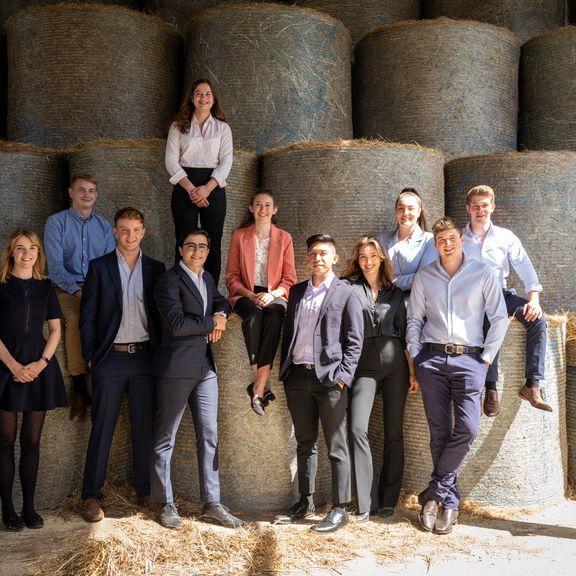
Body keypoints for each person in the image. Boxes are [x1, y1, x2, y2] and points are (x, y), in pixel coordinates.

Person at [407, 217, 508, 535]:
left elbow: (500, 316)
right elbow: (414, 318)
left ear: (461, 240)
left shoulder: (482, 273)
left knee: (467, 427)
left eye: (451, 238)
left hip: (470, 360)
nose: (447, 243)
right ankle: (448, 503)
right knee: (439, 432)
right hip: (432, 359)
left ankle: (433, 492)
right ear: (436, 244)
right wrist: (416, 353)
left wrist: (487, 358)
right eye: (441, 240)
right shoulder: (425, 276)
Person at [150, 228, 244, 530]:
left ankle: (212, 503)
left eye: (203, 246)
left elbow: (222, 301)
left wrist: (222, 316)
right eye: (191, 246)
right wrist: (211, 323)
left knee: (209, 435)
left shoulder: (205, 278)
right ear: (180, 249)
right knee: (166, 438)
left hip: (205, 369)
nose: (197, 251)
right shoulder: (168, 281)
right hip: (176, 368)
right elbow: (176, 324)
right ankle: (165, 503)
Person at [79, 208, 165, 523]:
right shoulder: (99, 268)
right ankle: (91, 495)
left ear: (143, 232)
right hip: (109, 358)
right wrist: (91, 355)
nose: (130, 236)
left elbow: (161, 316)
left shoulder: (156, 269)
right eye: (124, 230)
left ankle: (145, 491)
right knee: (102, 428)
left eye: (136, 230)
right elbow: (87, 315)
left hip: (145, 358)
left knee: (144, 427)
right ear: (115, 231)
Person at [273, 234, 363, 534]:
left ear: (335, 258)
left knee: (336, 447)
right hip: (298, 377)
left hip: (330, 381)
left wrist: (342, 379)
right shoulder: (297, 291)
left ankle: (339, 509)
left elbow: (354, 341)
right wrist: (286, 371)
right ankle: (305, 501)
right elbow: (289, 334)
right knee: (304, 442)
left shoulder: (347, 292)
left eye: (323, 253)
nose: (317, 258)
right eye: (312, 254)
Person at [341, 236, 418, 523]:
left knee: (393, 433)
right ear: (357, 260)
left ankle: (388, 500)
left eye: (373, 255)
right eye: (362, 256)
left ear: (382, 258)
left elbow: (406, 333)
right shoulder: (349, 288)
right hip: (364, 366)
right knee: (358, 428)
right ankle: (364, 502)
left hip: (396, 365)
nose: (368, 261)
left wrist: (412, 372)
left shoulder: (396, 292)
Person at [463, 185, 551, 416]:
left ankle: (532, 385)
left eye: (484, 205)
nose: (480, 210)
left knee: (538, 321)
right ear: (468, 209)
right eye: (475, 206)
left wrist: (534, 300)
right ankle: (491, 389)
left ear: (492, 207)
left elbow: (525, 267)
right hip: (472, 297)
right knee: (491, 320)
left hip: (501, 293)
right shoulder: (459, 239)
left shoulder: (505, 237)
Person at [0, 229, 66, 531]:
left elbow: (55, 330)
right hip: (5, 368)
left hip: (38, 369)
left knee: (32, 442)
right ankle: (8, 510)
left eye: (32, 249)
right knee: (4, 442)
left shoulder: (46, 287)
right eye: (20, 249)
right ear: (11, 253)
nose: (27, 254)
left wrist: (41, 363)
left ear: (38, 254)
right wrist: (13, 365)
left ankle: (29, 507)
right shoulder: (0, 285)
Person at [44, 173, 116, 421]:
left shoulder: (105, 227)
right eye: (81, 190)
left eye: (91, 190)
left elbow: (109, 266)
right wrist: (77, 291)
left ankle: (106, 381)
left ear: (96, 194)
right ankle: (78, 389)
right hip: (65, 289)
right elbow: (54, 268)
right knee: (75, 320)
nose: (87, 194)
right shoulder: (56, 223)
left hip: (97, 289)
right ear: (70, 193)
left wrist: (96, 293)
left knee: (114, 320)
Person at [225, 190, 297, 415]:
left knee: (275, 316)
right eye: (258, 205)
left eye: (267, 205)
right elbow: (231, 277)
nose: (262, 210)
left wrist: (273, 294)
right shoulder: (239, 236)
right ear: (251, 208)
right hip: (245, 294)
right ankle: (260, 384)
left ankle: (257, 386)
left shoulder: (284, 238)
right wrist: (249, 294)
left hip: (275, 295)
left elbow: (290, 279)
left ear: (274, 210)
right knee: (254, 316)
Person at [165, 78, 233, 283]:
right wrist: (192, 189)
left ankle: (210, 292)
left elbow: (226, 161)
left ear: (213, 99)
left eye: (208, 94)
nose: (203, 98)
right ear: (192, 98)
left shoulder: (223, 128)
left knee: (213, 241)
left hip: (213, 187)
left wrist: (207, 189)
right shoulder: (178, 126)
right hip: (184, 186)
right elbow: (170, 160)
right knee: (184, 239)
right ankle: (182, 288)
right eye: (199, 93)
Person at [378, 188, 437, 292]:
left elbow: (425, 277)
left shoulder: (429, 240)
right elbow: (375, 274)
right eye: (401, 208)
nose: (405, 213)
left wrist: (390, 282)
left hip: (414, 302)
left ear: (419, 211)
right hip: (383, 302)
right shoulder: (382, 239)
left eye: (411, 208)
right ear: (396, 211)